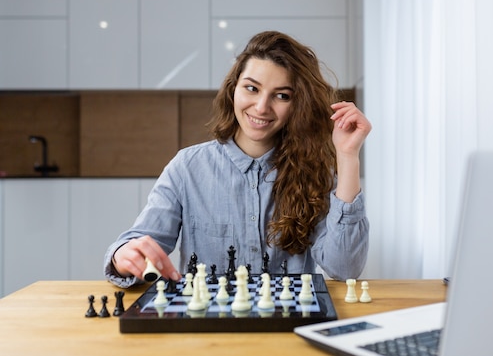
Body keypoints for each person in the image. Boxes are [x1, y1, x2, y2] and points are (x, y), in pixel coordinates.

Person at [104, 30, 371, 288]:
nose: (261, 107)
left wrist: (347, 157)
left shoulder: (316, 173)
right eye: (252, 88)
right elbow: (137, 245)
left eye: (282, 95)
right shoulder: (187, 168)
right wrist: (123, 257)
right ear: (234, 89)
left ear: (297, 104)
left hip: (288, 328)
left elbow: (345, 268)